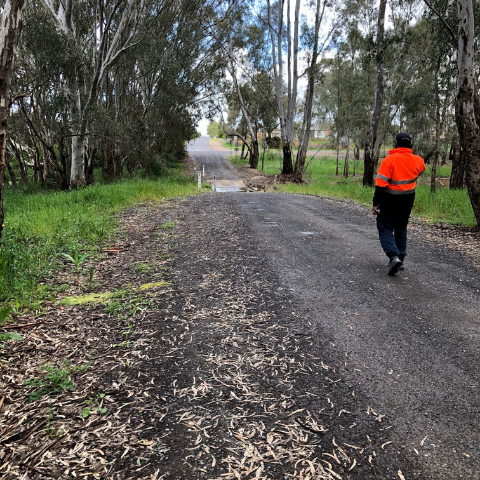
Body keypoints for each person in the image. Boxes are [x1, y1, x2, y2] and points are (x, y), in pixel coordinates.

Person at [372, 132, 426, 275]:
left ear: (396, 143)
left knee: (385, 228)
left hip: (389, 199)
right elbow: (418, 173)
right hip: (407, 199)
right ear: (410, 144)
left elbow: (380, 185)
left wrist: (375, 203)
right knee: (401, 228)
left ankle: (393, 256)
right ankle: (400, 258)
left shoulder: (389, 161)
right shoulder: (419, 161)